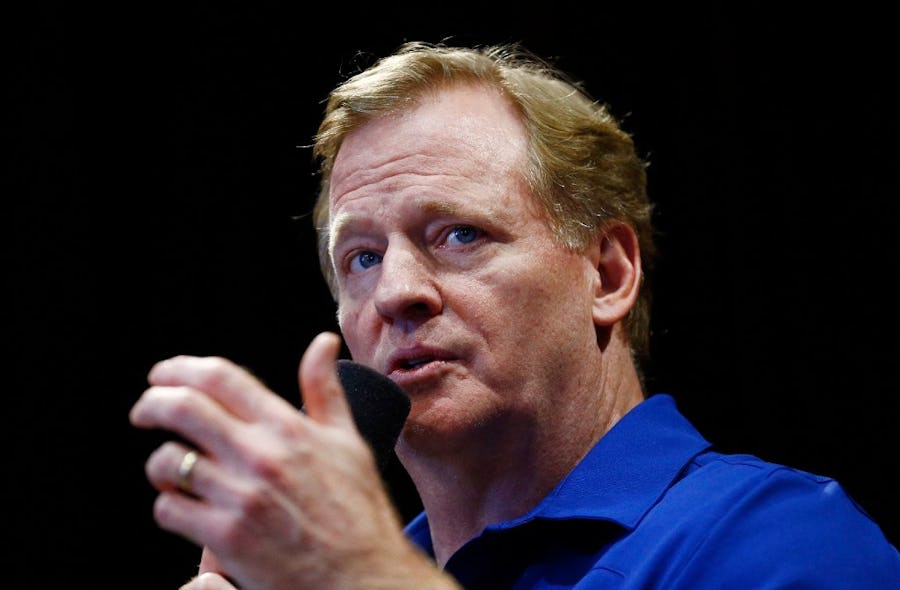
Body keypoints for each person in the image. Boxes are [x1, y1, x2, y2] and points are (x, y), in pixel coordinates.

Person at [130, 41, 900, 589]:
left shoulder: (780, 540)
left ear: (607, 274)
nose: (396, 292)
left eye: (458, 235)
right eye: (361, 257)